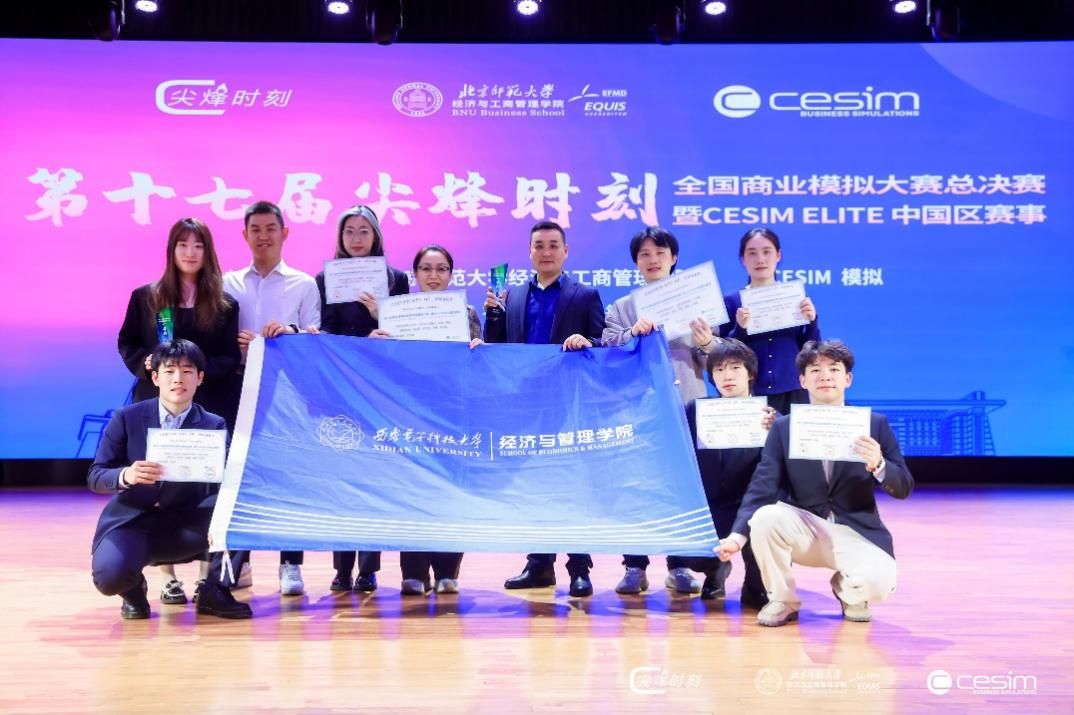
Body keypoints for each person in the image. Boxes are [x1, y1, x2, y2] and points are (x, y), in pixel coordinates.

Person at [715, 340, 914, 627]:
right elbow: (762, 486)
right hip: (804, 527)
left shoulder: (874, 424)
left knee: (879, 583)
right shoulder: (784, 427)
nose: (825, 376)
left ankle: (848, 591)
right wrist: (737, 536)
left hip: (854, 529)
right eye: (815, 370)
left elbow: (904, 486)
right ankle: (782, 599)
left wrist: (879, 464)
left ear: (848, 379)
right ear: (802, 380)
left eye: (834, 369)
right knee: (766, 517)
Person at [116, 217, 240, 605]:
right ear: (171, 250)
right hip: (156, 406)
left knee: (207, 487)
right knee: (158, 484)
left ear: (208, 252)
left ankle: (206, 578)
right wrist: (147, 365)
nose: (190, 252)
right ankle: (167, 578)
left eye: (198, 245)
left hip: (207, 407)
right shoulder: (146, 297)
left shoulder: (224, 304)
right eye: (183, 245)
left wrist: (197, 372)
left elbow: (229, 358)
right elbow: (127, 343)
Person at [484, 220, 606, 598]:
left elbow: (602, 343)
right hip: (527, 405)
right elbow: (499, 348)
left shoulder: (585, 295)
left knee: (573, 484)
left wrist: (586, 340)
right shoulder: (513, 296)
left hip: (570, 404)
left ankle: (579, 567)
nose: (546, 251)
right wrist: (492, 317)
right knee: (534, 484)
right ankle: (539, 564)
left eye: (554, 245)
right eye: (539, 245)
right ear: (530, 251)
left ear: (566, 251)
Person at [88, 339, 251, 620]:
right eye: (169, 371)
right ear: (155, 377)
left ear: (200, 378)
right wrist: (126, 474)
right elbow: (96, 475)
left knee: (238, 508)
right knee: (109, 576)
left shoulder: (213, 424)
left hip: (188, 521)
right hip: (135, 519)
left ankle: (214, 592)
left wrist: (225, 470)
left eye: (187, 371)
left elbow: (229, 478)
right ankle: (133, 590)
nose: (178, 379)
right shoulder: (127, 418)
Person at [601, 226, 723, 596]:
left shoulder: (697, 301)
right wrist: (630, 336)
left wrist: (708, 342)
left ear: (674, 258)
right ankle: (634, 566)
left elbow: (718, 361)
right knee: (636, 486)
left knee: (684, 485)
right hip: (637, 408)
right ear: (636, 262)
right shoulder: (622, 307)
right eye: (645, 254)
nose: (653, 260)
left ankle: (679, 564)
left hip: (687, 403)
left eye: (660, 253)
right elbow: (607, 350)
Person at [370, 244, 482, 595]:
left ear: (451, 274)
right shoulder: (397, 313)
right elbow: (384, 366)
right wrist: (373, 344)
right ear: (415, 274)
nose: (434, 276)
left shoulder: (467, 313)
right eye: (426, 269)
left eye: (441, 269)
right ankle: (413, 572)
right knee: (412, 491)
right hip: (408, 414)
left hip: (451, 415)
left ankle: (449, 570)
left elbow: (479, 367)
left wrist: (479, 350)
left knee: (451, 492)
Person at [223, 200, 321, 596]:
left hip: (287, 391)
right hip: (238, 386)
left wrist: (289, 333)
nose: (263, 236)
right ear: (244, 235)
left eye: (270, 228)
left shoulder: (304, 284)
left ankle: (290, 564)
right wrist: (232, 344)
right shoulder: (226, 283)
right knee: (239, 474)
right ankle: (238, 561)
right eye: (256, 229)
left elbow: (315, 339)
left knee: (289, 474)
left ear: (285, 233)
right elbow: (214, 336)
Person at [314, 205, 410, 595]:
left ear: (376, 236)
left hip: (381, 391)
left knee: (375, 478)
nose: (356, 238)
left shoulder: (396, 279)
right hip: (340, 388)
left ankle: (368, 569)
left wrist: (380, 315)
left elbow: (404, 335)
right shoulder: (325, 279)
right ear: (340, 237)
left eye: (363, 231)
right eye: (349, 231)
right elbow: (324, 331)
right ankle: (341, 568)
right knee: (343, 478)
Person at [722, 227, 820, 416]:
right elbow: (722, 353)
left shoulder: (794, 296)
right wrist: (740, 329)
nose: (760, 259)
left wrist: (812, 321)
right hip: (749, 390)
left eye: (767, 252)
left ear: (778, 255)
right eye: (752, 253)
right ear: (743, 259)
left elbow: (811, 347)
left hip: (792, 388)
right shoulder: (732, 301)